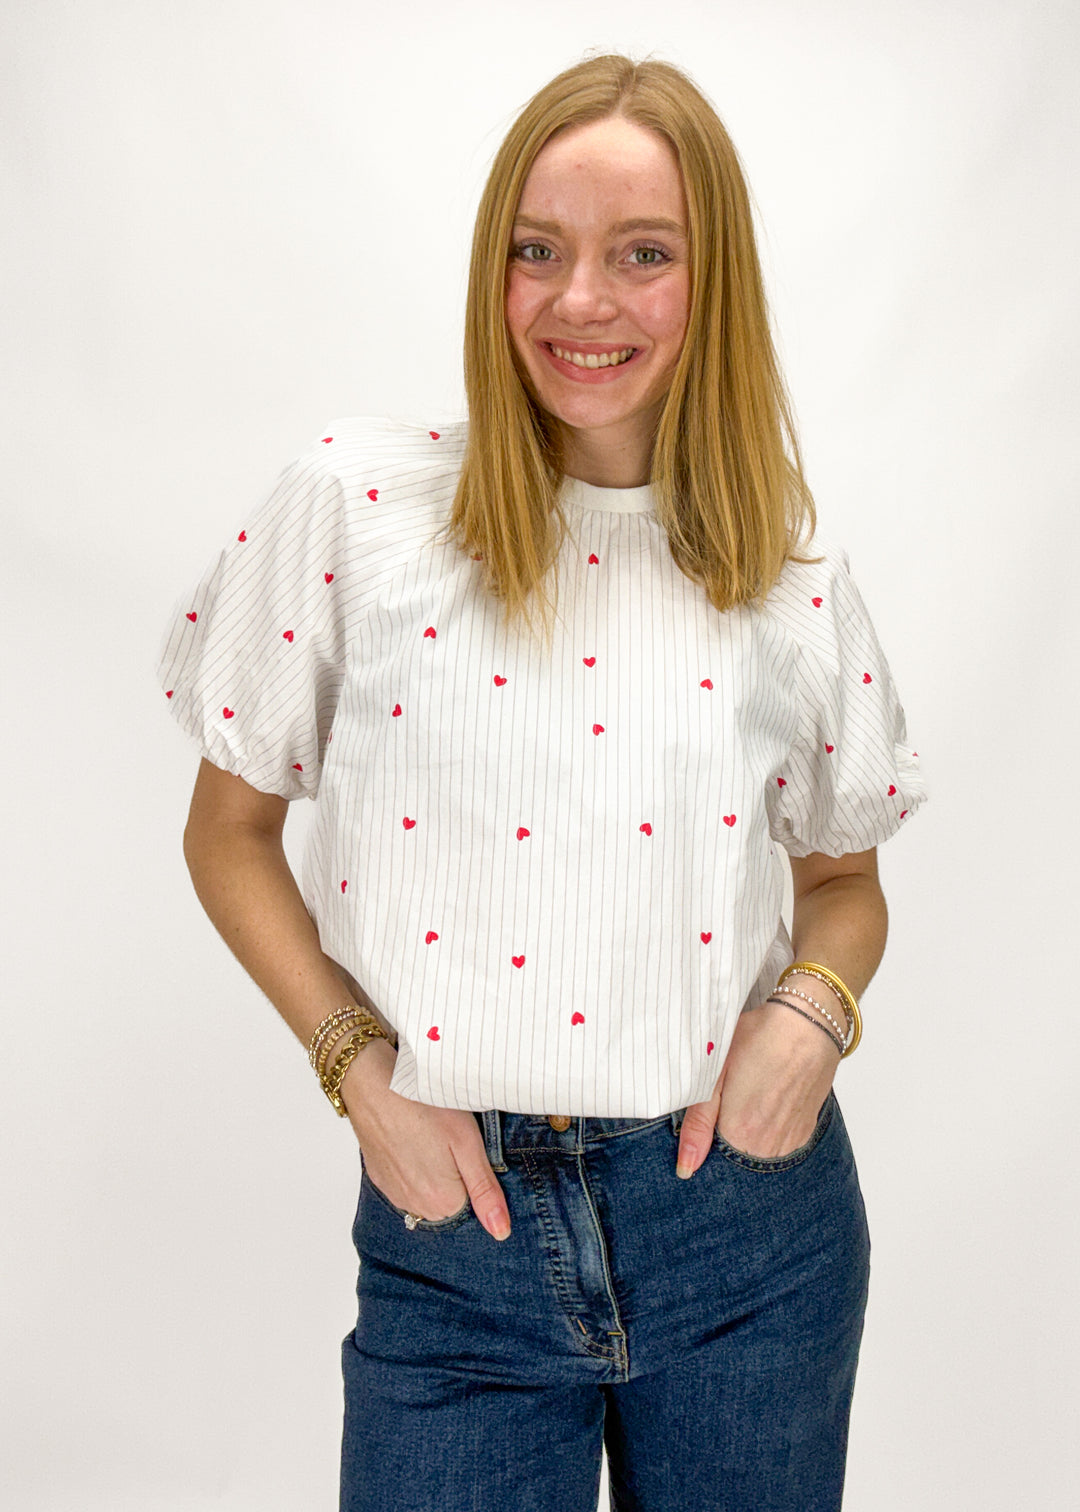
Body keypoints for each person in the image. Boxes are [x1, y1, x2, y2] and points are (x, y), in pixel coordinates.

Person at [159, 53, 927, 1512]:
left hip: (747, 1239)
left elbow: (843, 884)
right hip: (459, 1241)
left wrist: (809, 1025)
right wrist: (357, 1071)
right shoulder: (360, 509)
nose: (584, 301)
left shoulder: (789, 575)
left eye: (645, 255)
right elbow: (231, 833)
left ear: (716, 285)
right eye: (539, 250)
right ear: (491, 271)